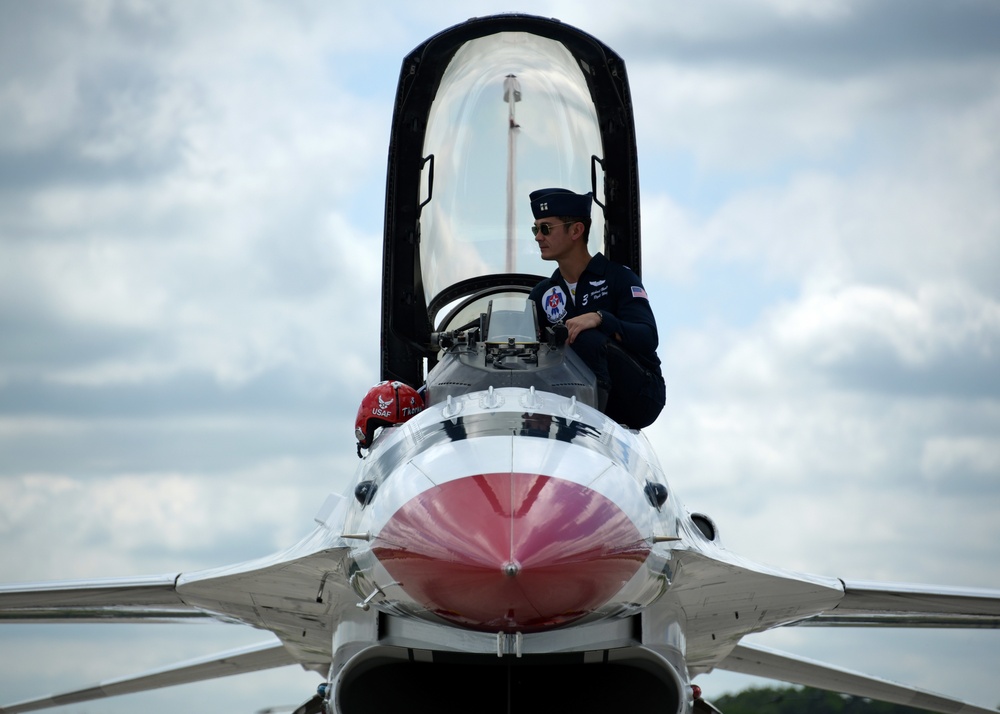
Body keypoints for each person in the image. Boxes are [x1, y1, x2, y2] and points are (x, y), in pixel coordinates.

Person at [527, 187, 664, 428]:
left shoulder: (618, 278)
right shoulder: (542, 295)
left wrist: (601, 319)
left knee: (583, 336)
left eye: (546, 228)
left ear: (576, 230)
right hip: (569, 398)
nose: (538, 236)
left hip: (638, 396)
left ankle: (590, 422)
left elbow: (648, 338)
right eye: (535, 229)